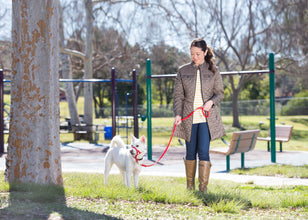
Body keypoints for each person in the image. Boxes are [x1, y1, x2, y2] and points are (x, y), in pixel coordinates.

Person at [173, 38, 225, 193]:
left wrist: (211, 103)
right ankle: (190, 188)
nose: (194, 57)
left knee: (203, 152)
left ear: (205, 52)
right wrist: (177, 114)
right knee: (190, 152)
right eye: (192, 54)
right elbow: (178, 96)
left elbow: (220, 94)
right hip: (189, 119)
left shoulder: (213, 70)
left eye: (197, 54)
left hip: (206, 119)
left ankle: (203, 190)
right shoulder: (183, 71)